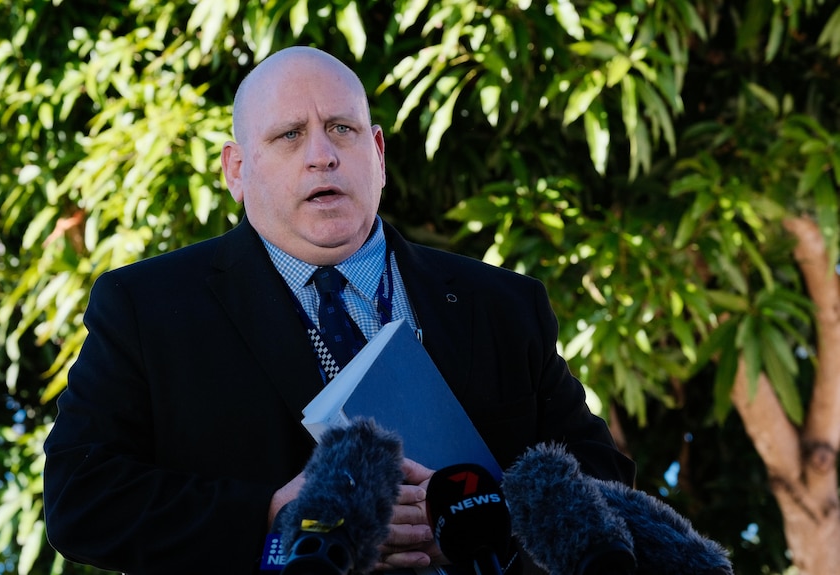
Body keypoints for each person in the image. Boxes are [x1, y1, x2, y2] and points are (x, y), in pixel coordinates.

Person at [43, 46, 635, 575]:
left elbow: (603, 479)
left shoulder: (504, 305)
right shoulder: (146, 308)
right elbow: (82, 497)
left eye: (341, 128)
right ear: (237, 170)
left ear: (376, 151)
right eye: (289, 136)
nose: (322, 155)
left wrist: (487, 519)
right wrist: (277, 515)